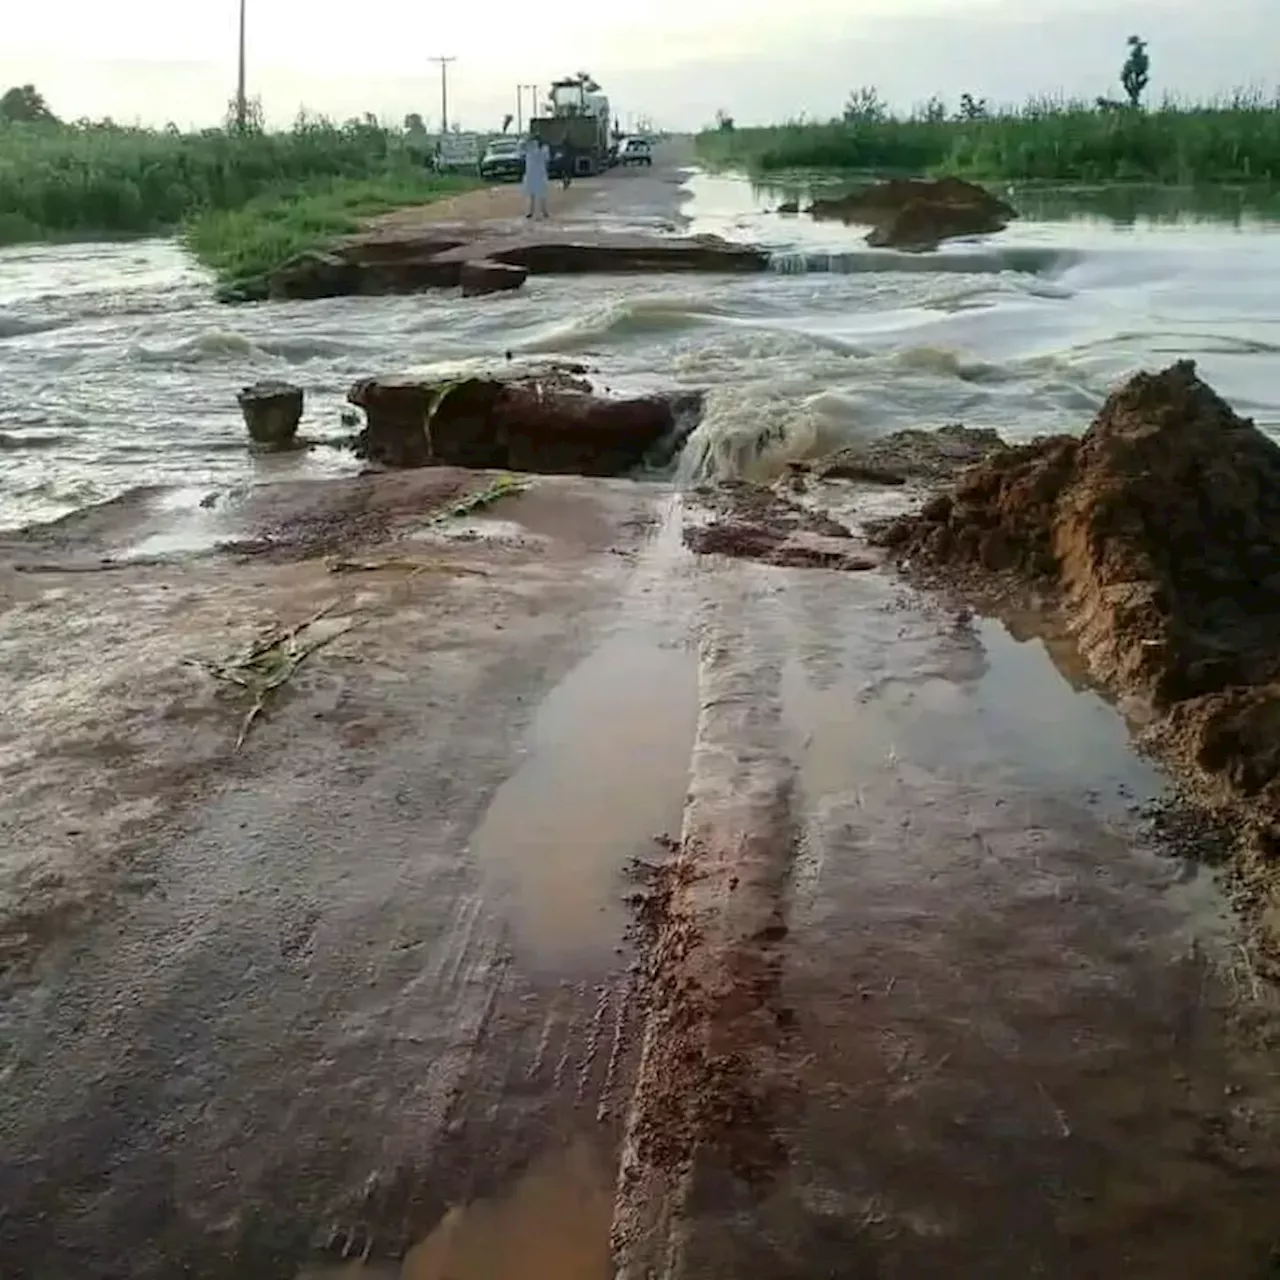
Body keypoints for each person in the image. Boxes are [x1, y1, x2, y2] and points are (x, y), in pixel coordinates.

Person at [520, 134, 551, 220]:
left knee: (539, 194)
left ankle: (540, 211)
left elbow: (546, 159)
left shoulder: (542, 148)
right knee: (534, 194)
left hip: (537, 173)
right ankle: (535, 212)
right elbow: (521, 146)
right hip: (534, 173)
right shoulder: (531, 147)